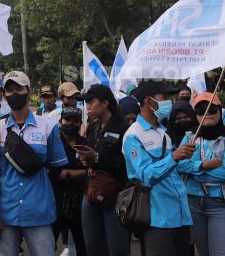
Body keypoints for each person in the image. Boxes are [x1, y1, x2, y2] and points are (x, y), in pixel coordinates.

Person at [0, 71, 68, 256]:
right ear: (4, 94)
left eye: (18, 88)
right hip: (6, 213)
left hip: (40, 213)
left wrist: (44, 195)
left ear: (28, 91)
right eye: (9, 90)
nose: (13, 93)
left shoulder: (48, 127)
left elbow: (57, 168)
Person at [122, 80, 195, 256]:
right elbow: (145, 175)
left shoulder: (163, 132)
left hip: (180, 217)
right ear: (149, 101)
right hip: (157, 220)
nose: (168, 101)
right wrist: (174, 157)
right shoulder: (133, 135)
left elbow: (174, 177)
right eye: (164, 96)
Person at [75, 84, 130, 256]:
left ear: (105, 103)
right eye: (86, 103)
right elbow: (90, 155)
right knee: (93, 246)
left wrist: (97, 158)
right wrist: (85, 158)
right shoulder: (92, 127)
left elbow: (127, 164)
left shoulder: (124, 128)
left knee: (117, 248)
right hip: (91, 191)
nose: (88, 106)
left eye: (91, 102)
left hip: (115, 193)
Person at [177, 92, 225, 256]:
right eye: (201, 111)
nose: (207, 114)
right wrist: (204, 165)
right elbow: (179, 164)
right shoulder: (190, 137)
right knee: (202, 252)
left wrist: (194, 170)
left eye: (211, 110)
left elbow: (224, 172)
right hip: (193, 204)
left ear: (220, 111)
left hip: (219, 204)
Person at [50, 106, 87, 256]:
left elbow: (90, 169)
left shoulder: (85, 143)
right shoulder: (54, 142)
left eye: (76, 121)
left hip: (79, 201)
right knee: (48, 243)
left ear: (80, 123)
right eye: (67, 120)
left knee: (81, 244)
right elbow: (56, 173)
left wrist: (75, 173)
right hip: (56, 199)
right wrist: (82, 172)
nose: (71, 124)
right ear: (60, 121)